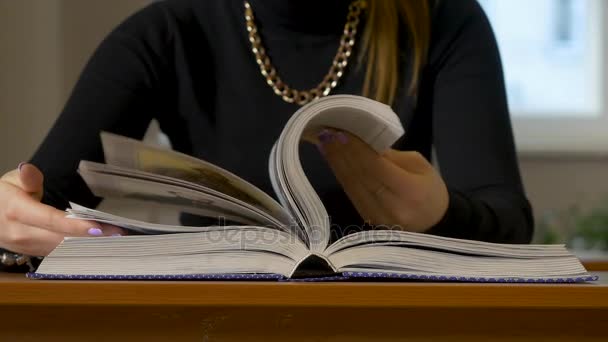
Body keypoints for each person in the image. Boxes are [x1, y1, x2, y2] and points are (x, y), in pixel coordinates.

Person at [0, 0, 534, 270]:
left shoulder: (442, 18)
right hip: (212, 321)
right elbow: (44, 198)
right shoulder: (168, 29)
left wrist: (440, 213)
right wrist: (11, 218)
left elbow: (510, 221)